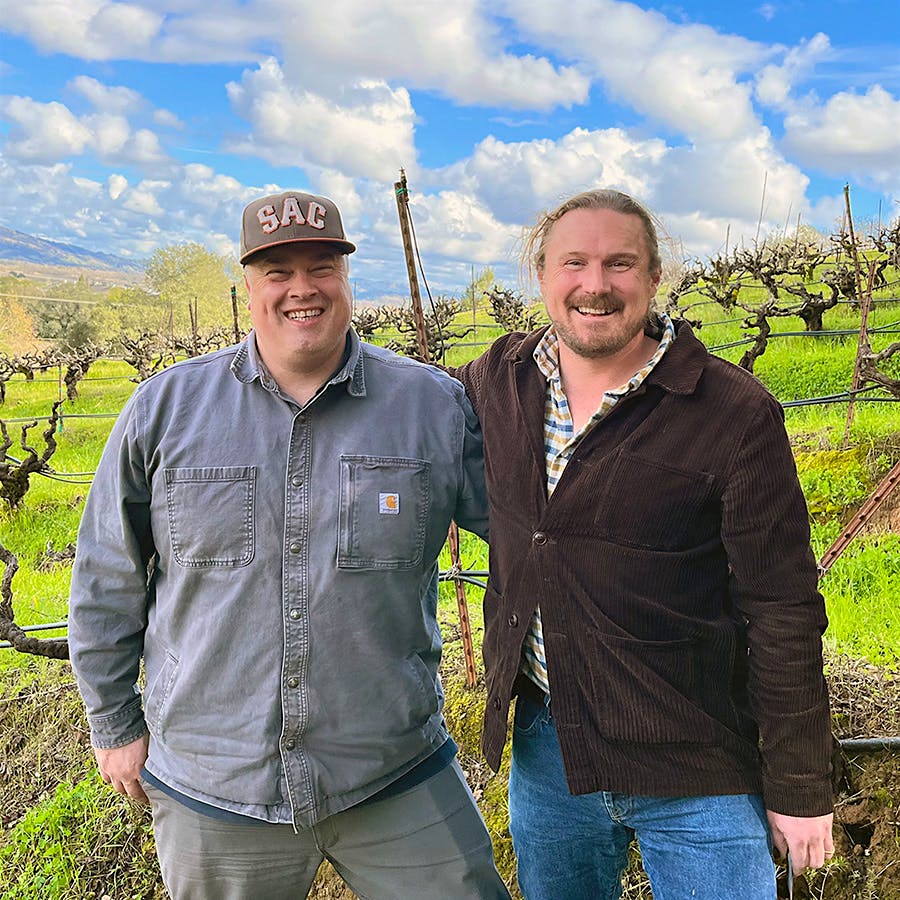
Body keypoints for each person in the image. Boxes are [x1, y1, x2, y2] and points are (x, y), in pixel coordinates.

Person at [68, 190, 510, 900]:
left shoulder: (431, 406)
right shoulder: (164, 410)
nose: (302, 288)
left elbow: (530, 537)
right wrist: (114, 724)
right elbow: (105, 576)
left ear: (346, 278)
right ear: (249, 286)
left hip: (392, 765)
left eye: (321, 268)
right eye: (278, 272)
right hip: (215, 779)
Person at [449, 189, 834, 899]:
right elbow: (398, 415)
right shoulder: (498, 381)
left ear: (655, 277)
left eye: (619, 263)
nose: (594, 284)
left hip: (696, 764)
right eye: (574, 262)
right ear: (542, 275)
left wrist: (801, 784)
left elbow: (782, 606)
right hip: (549, 751)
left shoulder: (733, 412)